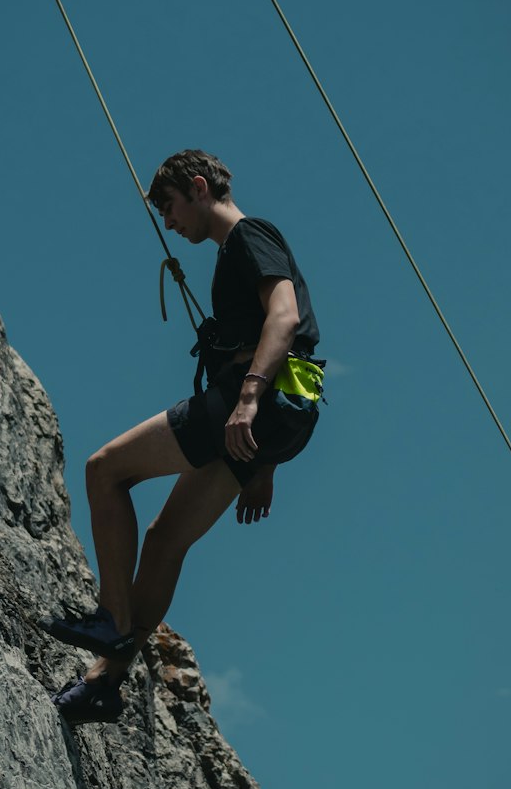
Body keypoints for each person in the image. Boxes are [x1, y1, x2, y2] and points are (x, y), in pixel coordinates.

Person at [43, 149, 323, 725]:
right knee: (165, 537)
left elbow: (285, 315)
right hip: (282, 417)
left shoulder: (249, 236)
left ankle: (112, 621)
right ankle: (105, 683)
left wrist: (247, 398)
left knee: (105, 470)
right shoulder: (233, 254)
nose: (168, 222)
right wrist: (264, 461)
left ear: (198, 188)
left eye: (168, 208)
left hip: (252, 402)